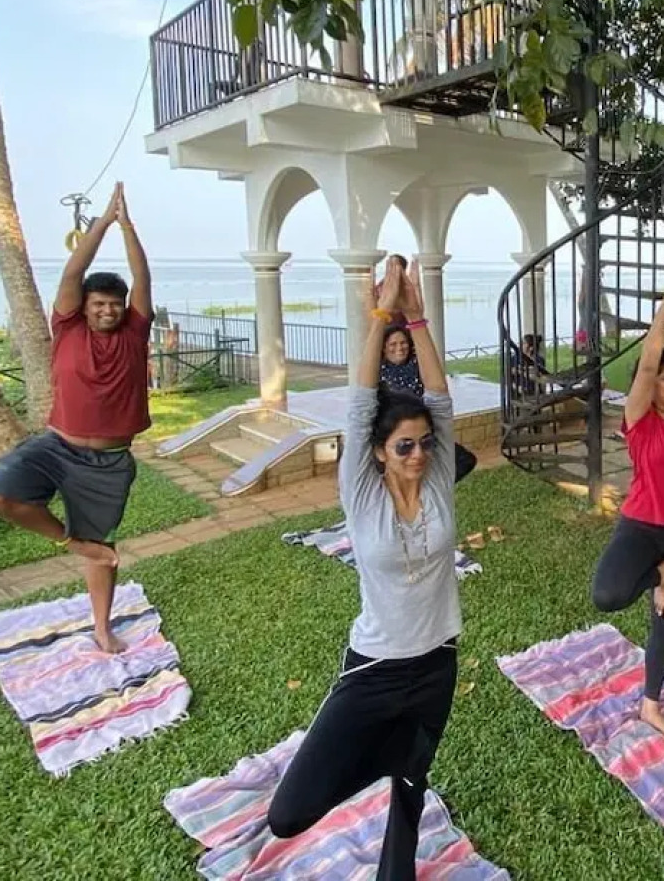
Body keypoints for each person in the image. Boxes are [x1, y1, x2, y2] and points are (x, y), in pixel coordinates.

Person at [268, 255, 459, 881]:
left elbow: (438, 397)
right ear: (378, 453)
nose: (418, 454)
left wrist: (418, 317)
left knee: (411, 791)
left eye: (424, 444)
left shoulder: (437, 481)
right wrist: (381, 313)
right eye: (404, 446)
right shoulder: (361, 491)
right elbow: (359, 402)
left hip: (437, 663)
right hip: (375, 668)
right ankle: (385, 760)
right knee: (288, 814)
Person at [0, 184, 151, 656]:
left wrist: (128, 227)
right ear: (85, 306)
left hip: (109, 461)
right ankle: (71, 542)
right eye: (99, 303)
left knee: (103, 550)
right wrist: (103, 223)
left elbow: (141, 275)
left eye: (114, 303)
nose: (107, 310)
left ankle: (102, 628)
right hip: (56, 446)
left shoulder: (135, 331)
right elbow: (74, 270)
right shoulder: (68, 326)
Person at [591, 270, 664, 740]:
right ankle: (660, 574)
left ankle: (650, 704)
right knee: (608, 595)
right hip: (641, 526)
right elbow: (644, 368)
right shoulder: (639, 420)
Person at [373, 305, 477, 485]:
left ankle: (428, 486)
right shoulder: (378, 372)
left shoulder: (417, 365)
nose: (399, 348)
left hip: (420, 428)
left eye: (403, 343)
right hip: (393, 433)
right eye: (393, 344)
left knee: (463, 460)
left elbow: (436, 388)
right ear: (384, 348)